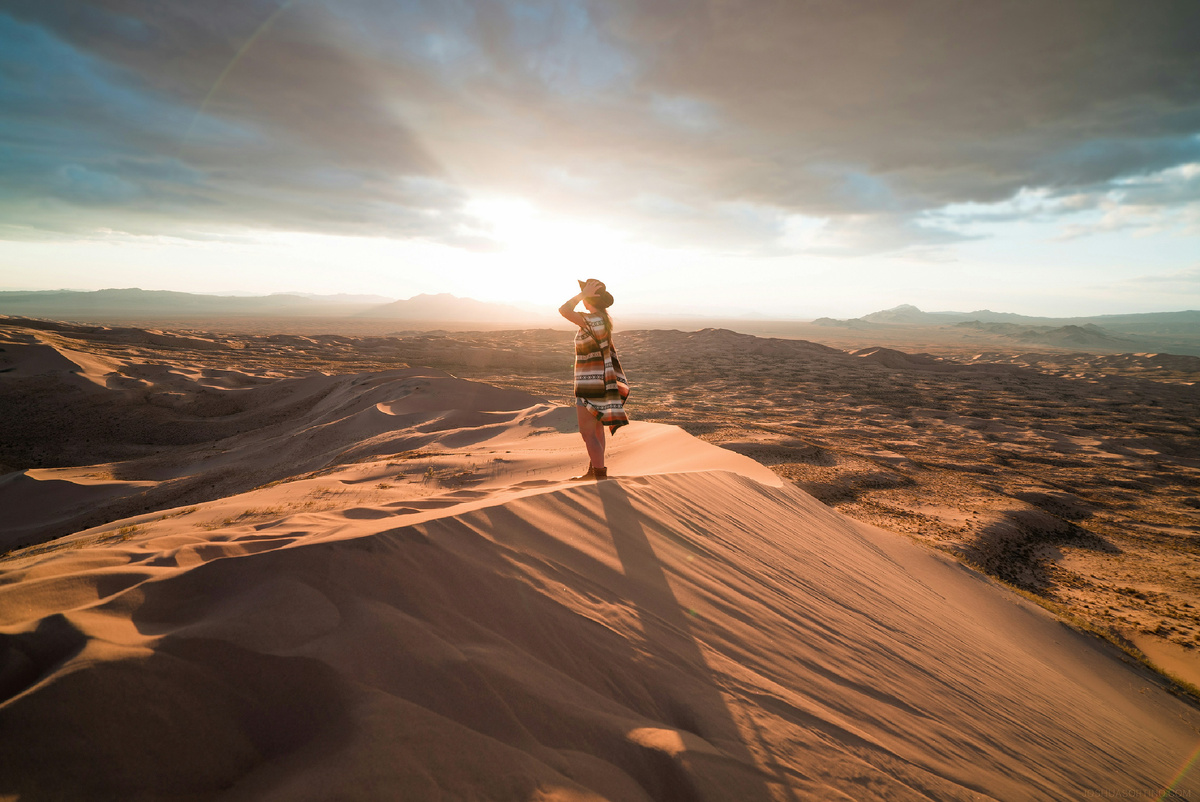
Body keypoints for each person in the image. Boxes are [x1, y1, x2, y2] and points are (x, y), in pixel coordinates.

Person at [559, 278, 630, 480]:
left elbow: (564, 310)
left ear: (590, 299)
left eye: (585, 298)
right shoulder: (603, 320)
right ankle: (596, 470)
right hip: (601, 383)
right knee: (597, 430)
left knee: (587, 433)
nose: (582, 302)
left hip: (590, 385)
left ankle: (598, 474)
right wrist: (586, 293)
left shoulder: (593, 320)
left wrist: (582, 294)